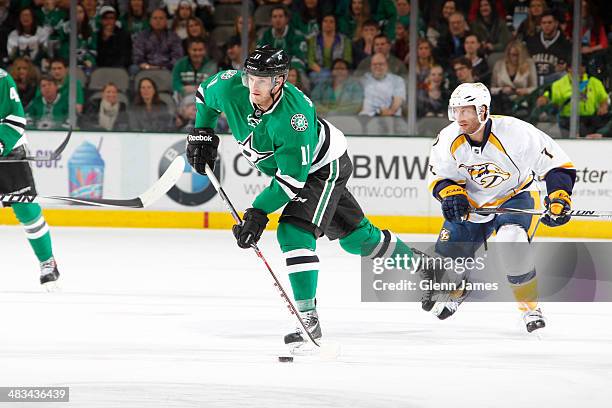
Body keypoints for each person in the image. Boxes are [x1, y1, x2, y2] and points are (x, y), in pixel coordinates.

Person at [186, 46, 414, 348]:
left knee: (293, 230)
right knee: (356, 239)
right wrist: (203, 132)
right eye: (250, 77)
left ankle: (308, 317)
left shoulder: (295, 119)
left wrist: (257, 212)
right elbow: (205, 95)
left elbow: (292, 180)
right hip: (301, 171)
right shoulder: (231, 86)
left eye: (263, 80)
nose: (254, 86)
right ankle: (431, 271)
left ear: (280, 80)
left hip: (322, 168)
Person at [426, 82, 576, 332]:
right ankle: (459, 288)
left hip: (513, 197)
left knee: (512, 243)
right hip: (473, 205)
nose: (459, 117)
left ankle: (530, 308)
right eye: (456, 110)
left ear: (482, 111)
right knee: (446, 260)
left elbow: (556, 164)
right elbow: (439, 176)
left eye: (466, 111)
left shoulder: (516, 133)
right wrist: (451, 193)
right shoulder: (448, 139)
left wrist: (559, 196)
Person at [0, 68, 60, 288]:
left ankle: (47, 262)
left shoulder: (2, 79)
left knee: (26, 209)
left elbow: (15, 119)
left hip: (9, 152)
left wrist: (0, 143)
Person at [536, 60, 610, 138]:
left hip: (590, 120)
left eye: (582, 66)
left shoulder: (594, 82)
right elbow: (548, 97)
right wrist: (543, 99)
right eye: (576, 66)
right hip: (568, 120)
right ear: (569, 69)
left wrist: (603, 107)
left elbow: (604, 99)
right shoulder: (559, 84)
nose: (580, 69)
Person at [490, 40, 537, 114]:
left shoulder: (529, 64)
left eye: (517, 55)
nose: (515, 58)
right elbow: (492, 89)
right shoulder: (499, 65)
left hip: (521, 102)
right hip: (501, 102)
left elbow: (534, 88)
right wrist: (502, 90)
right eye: (512, 55)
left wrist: (525, 91)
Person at [525, 11, 571, 86]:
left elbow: (567, 65)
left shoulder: (565, 43)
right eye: (544, 23)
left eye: (549, 22)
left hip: (554, 78)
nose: (546, 25)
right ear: (540, 24)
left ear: (556, 24)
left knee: (563, 75)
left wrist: (566, 66)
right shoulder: (532, 40)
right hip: (534, 77)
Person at [258, 6, 307, 73]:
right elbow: (260, 57)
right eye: (274, 17)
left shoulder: (297, 36)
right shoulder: (265, 36)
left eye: (281, 16)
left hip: (292, 73)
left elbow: (299, 60)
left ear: (286, 19)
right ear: (271, 20)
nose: (278, 20)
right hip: (270, 72)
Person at [132, 8, 183, 73]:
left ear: (166, 21)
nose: (158, 21)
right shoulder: (142, 36)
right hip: (146, 68)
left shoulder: (173, 36)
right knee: (133, 68)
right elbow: (137, 56)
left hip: (167, 68)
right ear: (150, 21)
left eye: (161, 18)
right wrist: (146, 66)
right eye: (155, 18)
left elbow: (177, 57)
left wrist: (165, 67)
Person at [306, 14, 352, 82]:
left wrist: (335, 71)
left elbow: (347, 59)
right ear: (321, 23)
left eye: (331, 22)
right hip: (319, 72)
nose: (328, 24)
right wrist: (323, 73)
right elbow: (310, 61)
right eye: (325, 21)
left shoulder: (344, 40)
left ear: (335, 24)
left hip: (339, 71)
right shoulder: (313, 40)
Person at [359, 52, 405, 117]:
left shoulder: (397, 80)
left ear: (387, 65)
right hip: (365, 118)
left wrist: (390, 112)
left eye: (381, 64)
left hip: (390, 118)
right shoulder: (364, 79)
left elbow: (397, 101)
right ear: (370, 66)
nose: (377, 66)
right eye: (374, 64)